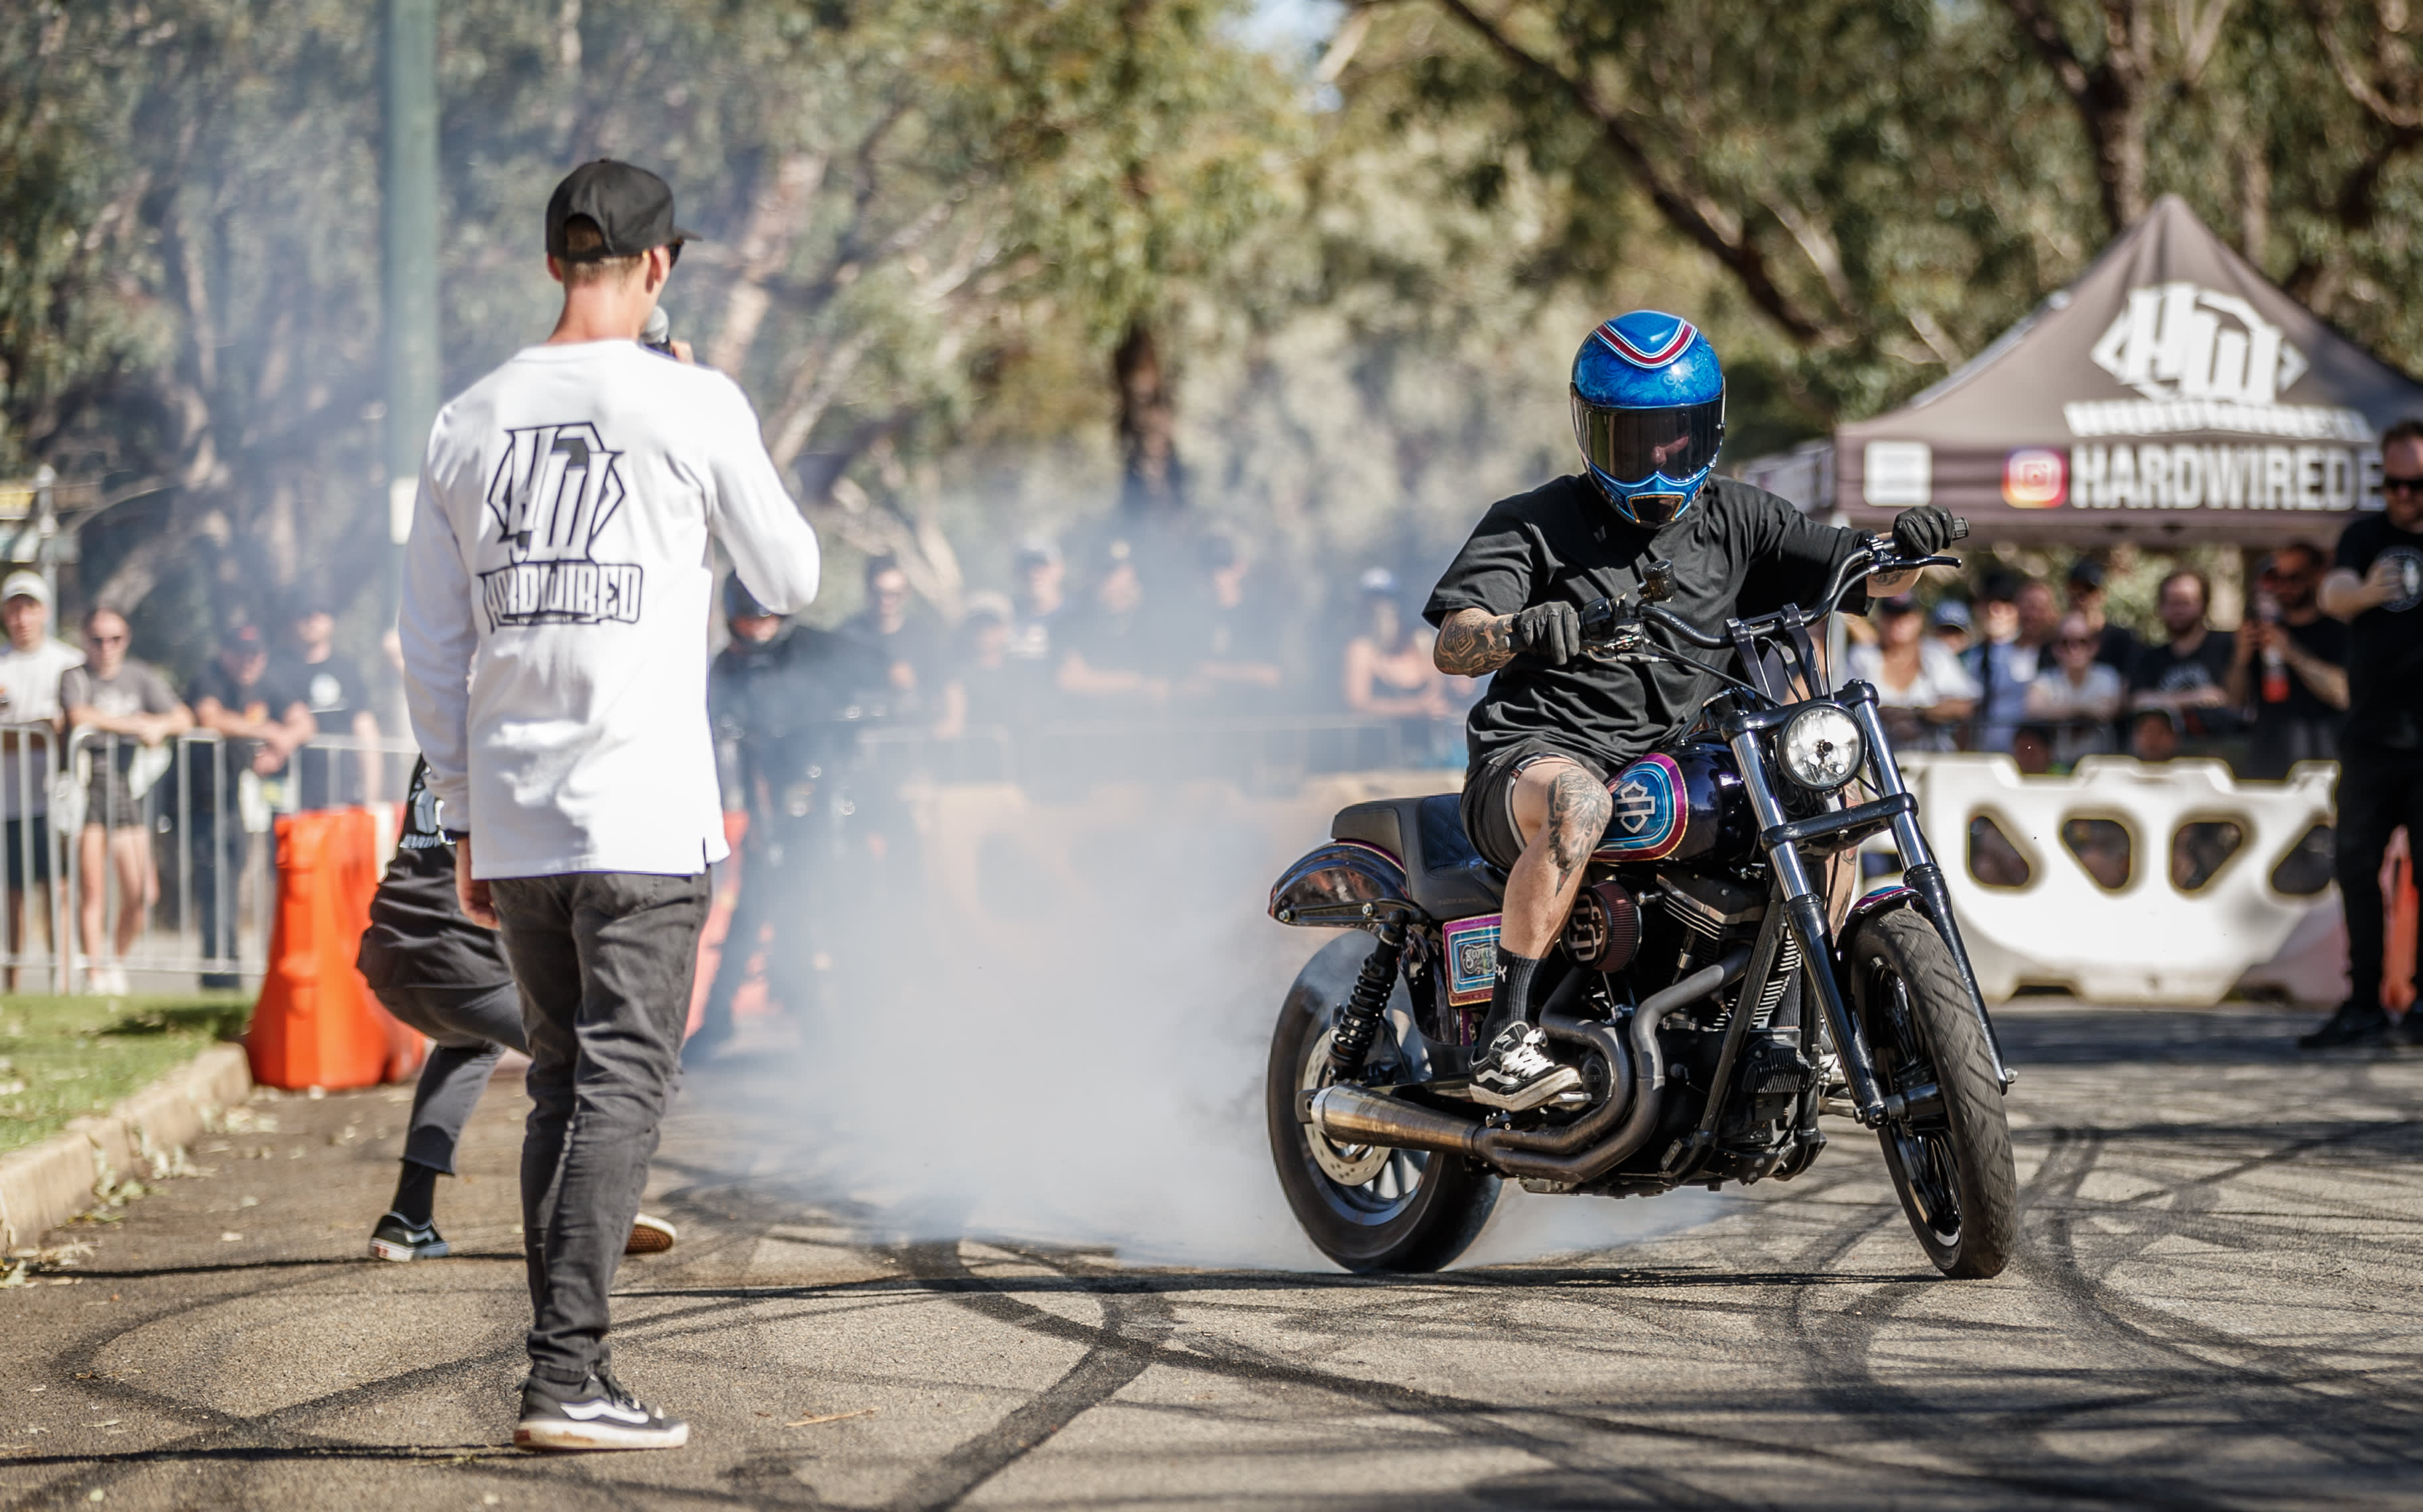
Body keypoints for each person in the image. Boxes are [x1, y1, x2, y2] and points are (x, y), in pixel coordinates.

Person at [399, 159, 820, 1452]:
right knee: (623, 1082)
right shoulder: (691, 401)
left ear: (550, 263)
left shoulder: (468, 416)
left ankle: (565, 1370)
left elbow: (425, 645)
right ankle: (565, 1376)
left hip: (516, 816)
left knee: (562, 1084)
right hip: (641, 811)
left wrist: (460, 816)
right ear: (660, 266)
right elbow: (790, 577)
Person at [1424, 310, 1939, 1110]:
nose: (1660, 457)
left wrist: (1904, 552)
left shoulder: (1740, 516)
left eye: (1678, 435)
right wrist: (1524, 628)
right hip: (1536, 757)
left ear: (1710, 429)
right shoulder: (1532, 521)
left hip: (1677, 760)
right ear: (1591, 431)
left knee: (1828, 819)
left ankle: (1811, 1030)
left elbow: (1854, 576)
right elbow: (1455, 642)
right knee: (1581, 801)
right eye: (1636, 438)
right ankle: (1507, 1035)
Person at [359, 757, 676, 1264]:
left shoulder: (444, 732)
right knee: (594, 1062)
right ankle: (591, 1210)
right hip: (459, 961)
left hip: (391, 954)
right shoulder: (516, 737)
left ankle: (408, 1218)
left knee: (467, 1043)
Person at [690, 577, 886, 1062]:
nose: (757, 630)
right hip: (769, 802)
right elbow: (720, 731)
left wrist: (867, 708)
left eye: (765, 619)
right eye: (747, 620)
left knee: (837, 907)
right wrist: (747, 814)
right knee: (755, 907)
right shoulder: (727, 668)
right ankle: (718, 1022)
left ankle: (858, 1021)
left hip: (832, 796)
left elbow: (882, 680)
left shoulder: (821, 649)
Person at [2300, 418, 2423, 1048]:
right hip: (2371, 740)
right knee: (2355, 869)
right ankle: (2364, 1002)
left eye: (2418, 485)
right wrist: (2369, 590)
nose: (2406, 497)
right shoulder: (2365, 536)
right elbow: (2333, 592)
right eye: (2396, 484)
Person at [60, 609, 192, 995]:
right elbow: (79, 714)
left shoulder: (140, 676)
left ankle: (114, 961)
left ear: (126, 638)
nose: (107, 648)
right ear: (86, 640)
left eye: (114, 639)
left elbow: (183, 715)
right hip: (88, 787)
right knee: (93, 891)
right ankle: (94, 975)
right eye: (98, 640)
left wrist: (160, 725)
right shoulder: (75, 677)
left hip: (126, 789)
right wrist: (135, 724)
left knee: (141, 892)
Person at [188, 622, 315, 988]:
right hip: (211, 801)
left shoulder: (270, 681)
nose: (249, 661)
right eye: (242, 653)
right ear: (225, 653)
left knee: (260, 881)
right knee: (219, 886)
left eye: (256, 653)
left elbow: (304, 723)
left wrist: (282, 744)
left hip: (255, 804)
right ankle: (220, 977)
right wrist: (266, 731)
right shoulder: (209, 677)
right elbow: (209, 716)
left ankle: (266, 973)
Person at [0, 573, 82, 987]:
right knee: (14, 896)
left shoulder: (67, 662)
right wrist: (39, 732)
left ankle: (62, 980)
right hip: (9, 800)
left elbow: (70, 729)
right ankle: (11, 983)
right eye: (14, 608)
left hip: (55, 800)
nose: (22, 617)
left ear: (44, 612)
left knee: (60, 890)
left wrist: (27, 734)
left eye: (29, 607)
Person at [2227, 543, 2347, 781]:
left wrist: (2291, 652)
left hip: (2323, 765)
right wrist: (2240, 658)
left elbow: (2342, 692)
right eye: (2275, 578)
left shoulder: (2339, 633)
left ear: (2317, 577)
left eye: (2295, 578)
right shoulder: (2262, 634)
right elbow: (2234, 701)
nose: (2284, 586)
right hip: (2267, 764)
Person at [276, 594, 385, 808]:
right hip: (289, 795)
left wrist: (373, 799)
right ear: (293, 621)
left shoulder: (348, 669)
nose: (313, 619)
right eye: (305, 612)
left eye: (321, 612)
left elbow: (364, 727)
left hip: (342, 796)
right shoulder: (277, 669)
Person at [1843, 595, 1976, 753]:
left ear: (1918, 619)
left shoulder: (1935, 653)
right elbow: (1845, 704)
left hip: (1933, 755)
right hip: (1876, 756)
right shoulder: (1862, 656)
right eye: (1891, 616)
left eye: (1905, 615)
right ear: (1881, 619)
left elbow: (1963, 705)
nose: (1898, 622)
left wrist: (1917, 714)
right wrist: (1888, 716)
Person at [1058, 539, 1170, 705]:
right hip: (1085, 723)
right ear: (1091, 574)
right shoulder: (1071, 623)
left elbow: (1161, 688)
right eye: (1103, 570)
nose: (1109, 579)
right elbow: (1070, 682)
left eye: (1116, 570)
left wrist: (1093, 680)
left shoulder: (1154, 621)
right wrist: (1137, 683)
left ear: (1131, 573)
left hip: (1143, 723)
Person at [2128, 570, 2237, 741]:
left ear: (2204, 605)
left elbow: (2231, 697)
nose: (2178, 610)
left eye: (2186, 602)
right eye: (2171, 602)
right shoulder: (2150, 657)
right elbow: (2138, 701)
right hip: (2167, 754)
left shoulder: (2227, 645)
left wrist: (2160, 701)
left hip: (2220, 749)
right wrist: (2197, 697)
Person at [1343, 568, 1452, 719]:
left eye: (1386, 600)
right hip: (1381, 740)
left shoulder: (1422, 643)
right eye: (1373, 602)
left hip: (1426, 738)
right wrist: (1414, 708)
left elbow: (1436, 693)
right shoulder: (1362, 650)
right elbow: (1358, 703)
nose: (1380, 609)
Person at [843, 556, 944, 714]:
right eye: (879, 592)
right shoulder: (848, 635)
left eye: (894, 594)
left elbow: (947, 685)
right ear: (868, 590)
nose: (885, 600)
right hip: (859, 731)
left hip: (913, 730)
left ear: (906, 593)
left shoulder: (923, 637)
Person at [2024, 613, 2125, 767]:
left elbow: (2109, 711)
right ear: (2055, 648)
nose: (2074, 649)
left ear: (2094, 646)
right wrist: (2084, 711)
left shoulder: (2108, 677)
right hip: (2056, 767)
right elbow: (2033, 709)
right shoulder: (2045, 679)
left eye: (2082, 642)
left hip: (2100, 766)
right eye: (2065, 643)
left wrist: (2059, 712)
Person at [1967, 574, 2052, 753]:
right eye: (2028, 606)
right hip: (1988, 752)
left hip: (2035, 757)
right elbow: (1971, 705)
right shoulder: (1989, 653)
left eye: (2039, 608)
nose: (2032, 614)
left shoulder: (2057, 657)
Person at [2065, 558, 2139, 676]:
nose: (2081, 595)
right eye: (2075, 588)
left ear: (2102, 595)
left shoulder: (2122, 640)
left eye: (2089, 589)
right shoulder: (2058, 639)